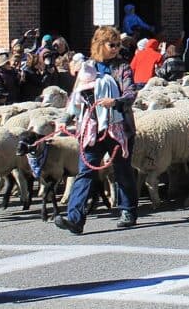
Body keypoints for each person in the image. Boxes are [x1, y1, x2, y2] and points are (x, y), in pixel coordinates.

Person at [55, 25, 139, 234]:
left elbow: (130, 92)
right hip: (92, 126)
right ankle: (75, 218)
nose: (116, 48)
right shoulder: (88, 67)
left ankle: (128, 209)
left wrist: (116, 101)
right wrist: (66, 118)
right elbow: (76, 95)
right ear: (100, 45)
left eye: (118, 44)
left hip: (118, 126)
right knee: (85, 171)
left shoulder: (122, 67)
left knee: (122, 169)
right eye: (112, 44)